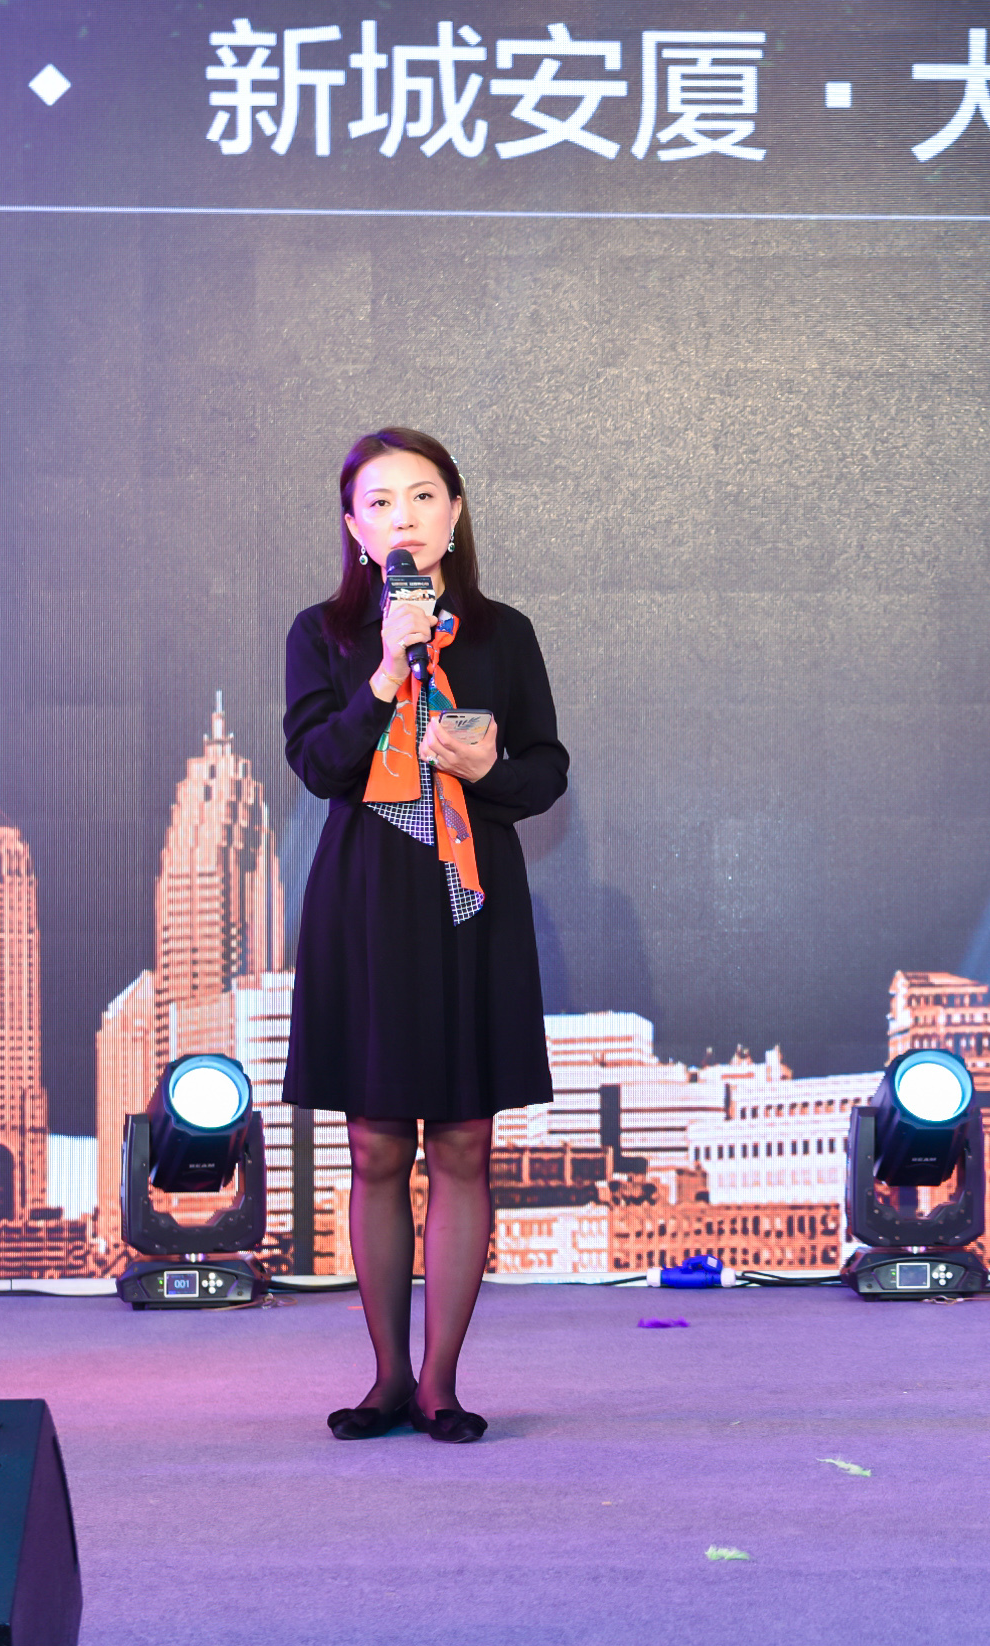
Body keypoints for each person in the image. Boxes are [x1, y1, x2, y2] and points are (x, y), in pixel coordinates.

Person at [283, 427, 569, 1444]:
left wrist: (489, 769)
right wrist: (382, 676)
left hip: (469, 904)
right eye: (379, 503)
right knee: (373, 1145)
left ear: (454, 512)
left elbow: (545, 771)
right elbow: (318, 765)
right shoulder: (323, 634)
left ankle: (441, 1383)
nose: (401, 517)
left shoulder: (503, 633)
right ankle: (385, 1379)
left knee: (461, 1141)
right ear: (355, 529)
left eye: (421, 496)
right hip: (365, 902)